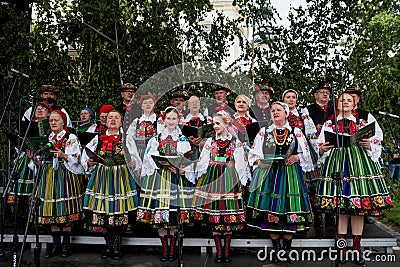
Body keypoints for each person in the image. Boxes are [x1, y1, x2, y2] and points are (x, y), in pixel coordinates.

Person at [315, 92, 392, 264]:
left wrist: (369, 143)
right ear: (337, 103)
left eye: (349, 100)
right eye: (342, 100)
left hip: (360, 164)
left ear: (354, 103)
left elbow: (377, 138)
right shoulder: (330, 122)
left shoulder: (364, 120)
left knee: (359, 208)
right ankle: (342, 249)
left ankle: (356, 250)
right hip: (338, 162)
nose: (346, 103)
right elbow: (320, 144)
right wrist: (323, 149)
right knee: (341, 207)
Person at [247, 101, 313, 264]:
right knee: (272, 209)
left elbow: (307, 154)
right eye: (273, 110)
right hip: (269, 174)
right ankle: (277, 249)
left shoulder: (296, 131)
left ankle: (287, 249)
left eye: (278, 110)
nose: (275, 112)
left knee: (291, 209)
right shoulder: (264, 132)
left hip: (290, 174)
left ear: (286, 113)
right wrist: (259, 162)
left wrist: (297, 157)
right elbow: (254, 154)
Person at [82, 110, 141, 260]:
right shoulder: (97, 138)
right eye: (110, 118)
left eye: (116, 118)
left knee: (119, 212)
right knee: (104, 212)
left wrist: (132, 162)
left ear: (121, 122)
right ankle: (108, 244)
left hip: (121, 177)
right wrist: (89, 162)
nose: (113, 120)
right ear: (105, 121)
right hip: (102, 176)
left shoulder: (126, 139)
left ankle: (116, 246)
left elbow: (135, 159)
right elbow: (86, 157)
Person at [27, 110, 85, 258]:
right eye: (51, 120)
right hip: (49, 175)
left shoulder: (70, 137)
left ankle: (66, 245)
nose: (53, 123)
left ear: (63, 122)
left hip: (65, 174)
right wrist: (34, 158)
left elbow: (77, 158)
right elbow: (40, 163)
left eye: (56, 120)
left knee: (64, 208)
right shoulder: (48, 138)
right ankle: (56, 245)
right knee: (51, 209)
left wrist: (63, 155)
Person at [138, 107, 193, 262]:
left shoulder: (183, 140)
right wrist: (159, 163)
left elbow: (187, 160)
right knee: (161, 213)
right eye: (168, 118)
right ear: (163, 120)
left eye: (174, 119)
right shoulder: (155, 139)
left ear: (178, 121)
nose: (171, 122)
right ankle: (165, 249)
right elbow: (148, 158)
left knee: (174, 213)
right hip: (160, 178)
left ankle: (173, 248)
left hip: (176, 179)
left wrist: (181, 169)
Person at [191, 111, 247, 263]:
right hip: (213, 176)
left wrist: (241, 180)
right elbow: (203, 159)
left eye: (218, 123)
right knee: (215, 214)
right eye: (214, 124)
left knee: (227, 215)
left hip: (229, 176)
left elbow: (241, 163)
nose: (215, 126)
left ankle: (226, 251)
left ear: (227, 124)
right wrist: (201, 174)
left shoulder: (235, 142)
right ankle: (219, 251)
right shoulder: (210, 141)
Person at [7, 102, 52, 219]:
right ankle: (23, 214)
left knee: (38, 188)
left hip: (42, 159)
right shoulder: (28, 125)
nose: (40, 110)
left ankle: (37, 217)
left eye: (43, 109)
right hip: (27, 157)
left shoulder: (50, 125)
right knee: (21, 187)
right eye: (37, 108)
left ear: (48, 113)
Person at [301, 80, 334, 228]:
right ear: (315, 95)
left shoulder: (334, 110)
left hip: (331, 149)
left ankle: (330, 214)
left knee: (330, 180)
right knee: (314, 183)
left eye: (327, 92)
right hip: (314, 151)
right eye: (322, 92)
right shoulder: (307, 110)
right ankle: (317, 214)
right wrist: (315, 128)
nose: (325, 94)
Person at [126, 93, 158, 159]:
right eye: (145, 103)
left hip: (154, 153)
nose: (148, 104)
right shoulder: (136, 121)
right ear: (141, 106)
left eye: (150, 102)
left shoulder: (159, 121)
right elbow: (129, 138)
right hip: (138, 153)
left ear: (154, 106)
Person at [181, 95, 207, 160]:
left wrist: (203, 140)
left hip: (203, 152)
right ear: (188, 106)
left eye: (196, 102)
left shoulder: (206, 119)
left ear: (200, 104)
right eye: (192, 102)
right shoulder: (182, 119)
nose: (194, 104)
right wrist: (187, 139)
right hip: (186, 152)